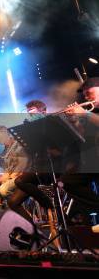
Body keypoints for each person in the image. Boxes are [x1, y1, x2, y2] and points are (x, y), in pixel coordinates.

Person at [62, 78, 99, 225]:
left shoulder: (89, 113)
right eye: (84, 95)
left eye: (89, 93)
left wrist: (84, 114)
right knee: (68, 181)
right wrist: (75, 122)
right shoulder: (92, 111)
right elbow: (84, 137)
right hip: (93, 159)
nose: (86, 98)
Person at [0, 126, 29, 210]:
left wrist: (7, 178)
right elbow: (6, 170)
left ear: (6, 133)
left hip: (20, 177)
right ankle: (5, 215)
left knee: (4, 189)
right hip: (9, 179)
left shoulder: (18, 145)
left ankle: (22, 213)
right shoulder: (4, 151)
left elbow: (22, 166)